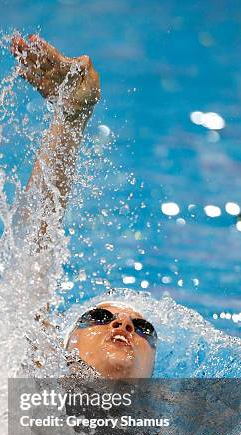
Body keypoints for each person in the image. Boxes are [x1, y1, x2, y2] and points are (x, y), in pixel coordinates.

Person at [10, 34, 157, 381]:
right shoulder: (31, 399)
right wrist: (71, 118)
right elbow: (34, 257)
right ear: (64, 344)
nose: (123, 325)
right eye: (100, 318)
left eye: (143, 328)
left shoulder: (178, 430)